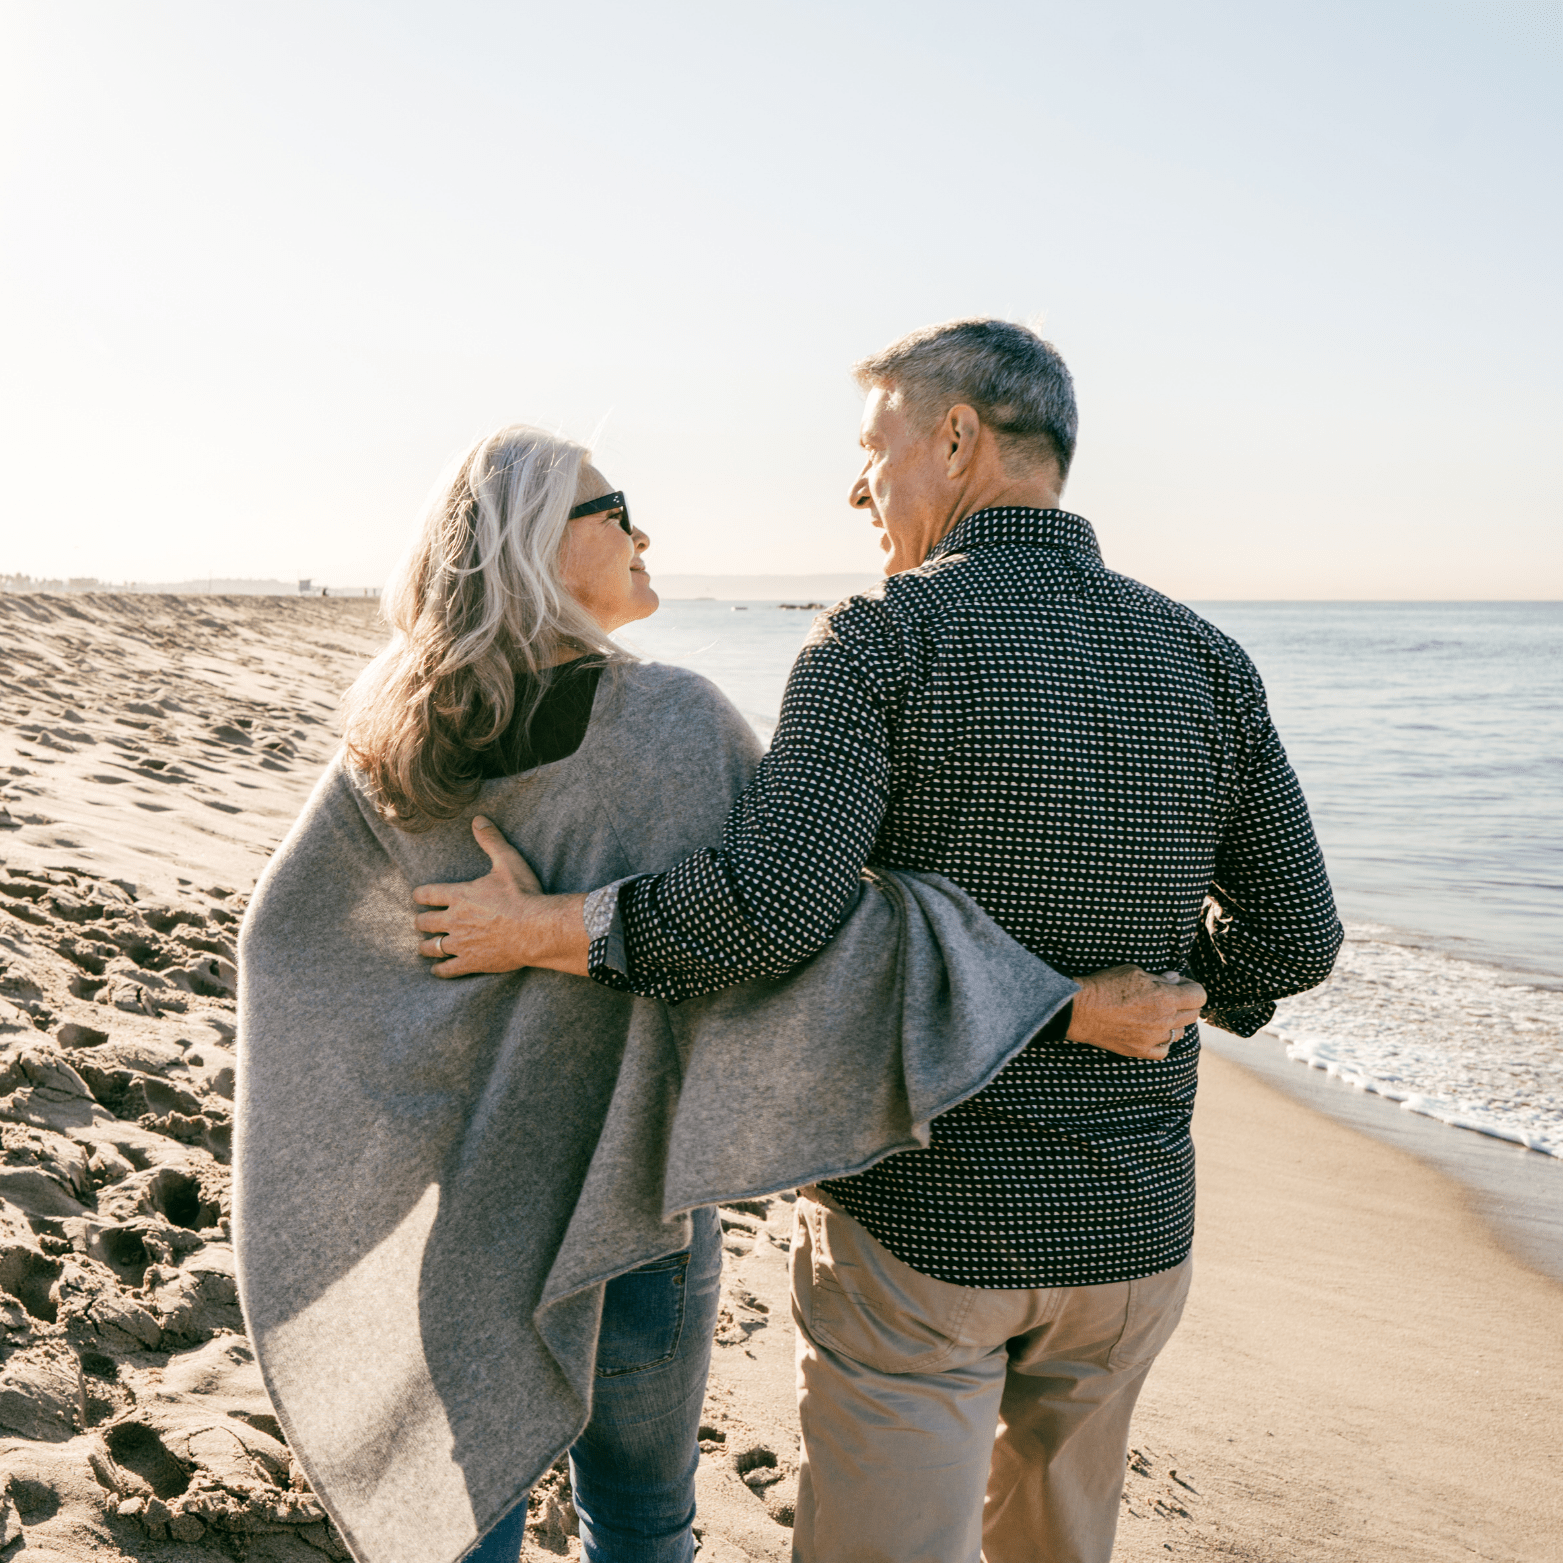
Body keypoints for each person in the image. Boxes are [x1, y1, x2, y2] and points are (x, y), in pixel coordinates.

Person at [415, 321, 1343, 1563]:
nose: (858, 483)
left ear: (957, 439)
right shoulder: (1207, 661)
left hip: (924, 1231)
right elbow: (1298, 936)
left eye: (874, 446)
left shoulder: (885, 639)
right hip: (1130, 1234)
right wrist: (1182, 991)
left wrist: (547, 928)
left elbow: (772, 908)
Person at [236, 420, 1196, 1563]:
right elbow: (813, 934)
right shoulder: (673, 723)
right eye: (615, 509)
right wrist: (1068, 1004)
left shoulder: (397, 730)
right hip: (631, 1196)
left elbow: (287, 948)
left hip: (469, 1201)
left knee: (467, 1516)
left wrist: (431, 1057)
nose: (645, 532)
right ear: (539, 545)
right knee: (641, 1518)